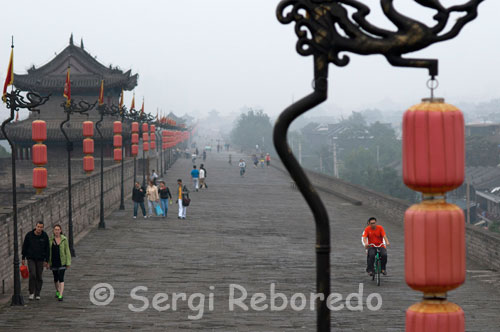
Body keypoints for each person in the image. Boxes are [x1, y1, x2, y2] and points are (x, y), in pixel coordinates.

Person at [22, 221, 49, 300]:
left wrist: (46, 260)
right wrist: (23, 257)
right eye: (38, 227)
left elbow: (47, 249)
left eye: (41, 227)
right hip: (31, 258)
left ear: (42, 228)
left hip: (40, 259)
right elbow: (25, 247)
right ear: (35, 226)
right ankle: (31, 292)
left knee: (39, 276)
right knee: (32, 274)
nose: (39, 229)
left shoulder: (44, 236)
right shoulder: (29, 235)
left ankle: (37, 293)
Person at [49, 224, 71, 301]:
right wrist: (48, 261)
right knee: (55, 278)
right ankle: (57, 290)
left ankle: (61, 295)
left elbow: (67, 251)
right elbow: (49, 251)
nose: (57, 231)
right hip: (54, 261)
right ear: (53, 231)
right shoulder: (51, 240)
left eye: (58, 229)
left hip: (62, 261)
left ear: (60, 230)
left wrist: (68, 262)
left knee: (61, 278)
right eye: (55, 229)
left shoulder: (64, 239)